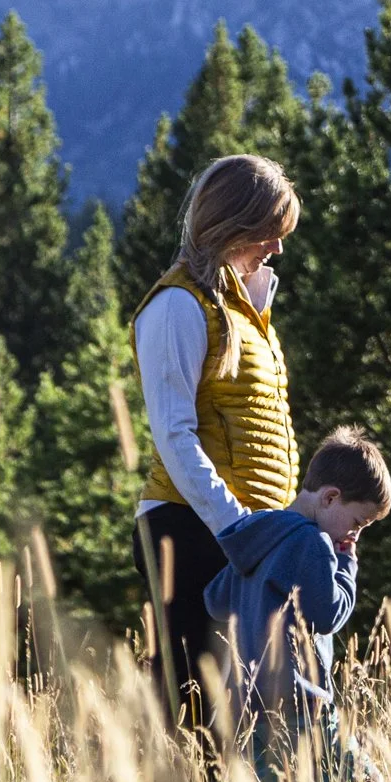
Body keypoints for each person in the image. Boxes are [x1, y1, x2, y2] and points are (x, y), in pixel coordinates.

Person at [130, 153, 303, 730]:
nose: (276, 249)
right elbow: (174, 434)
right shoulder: (178, 306)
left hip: (244, 535)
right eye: (268, 233)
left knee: (245, 710)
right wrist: (234, 525)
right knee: (193, 708)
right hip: (191, 531)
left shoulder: (244, 310)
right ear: (233, 224)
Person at [206, 426, 391, 782]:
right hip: (299, 701)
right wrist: (346, 562)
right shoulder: (312, 542)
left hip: (250, 703)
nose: (355, 535)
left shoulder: (259, 535)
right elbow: (329, 614)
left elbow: (215, 599)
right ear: (330, 498)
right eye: (358, 523)